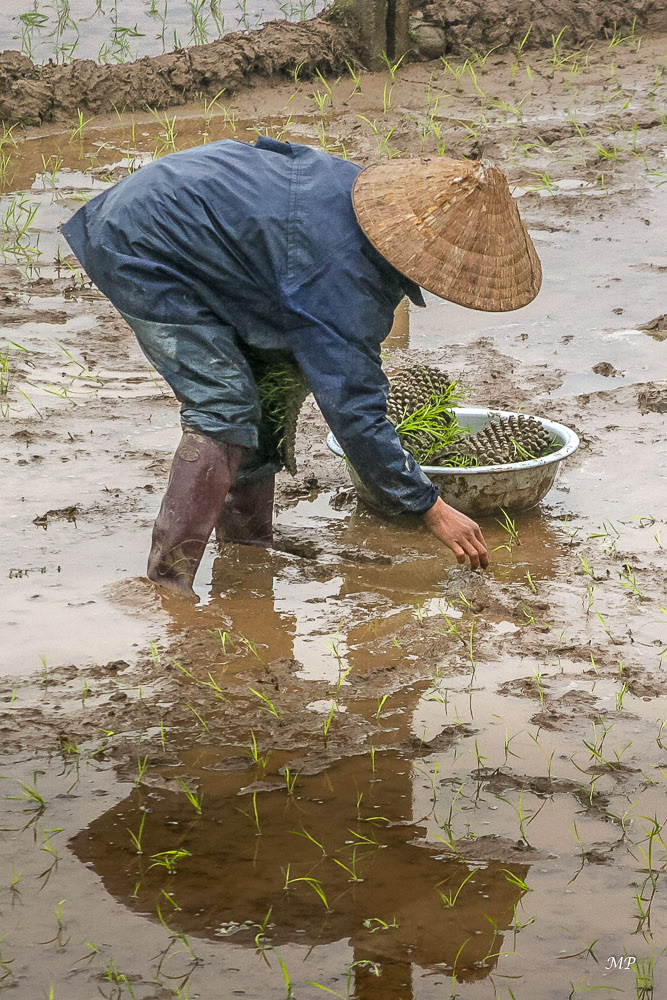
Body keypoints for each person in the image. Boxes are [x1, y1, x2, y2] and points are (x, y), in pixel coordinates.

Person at [62, 137, 541, 599]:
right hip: (146, 240)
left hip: (201, 222)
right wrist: (430, 507)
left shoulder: (362, 203)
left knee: (272, 378)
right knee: (223, 403)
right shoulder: (341, 275)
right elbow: (355, 413)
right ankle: (167, 582)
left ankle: (248, 544)